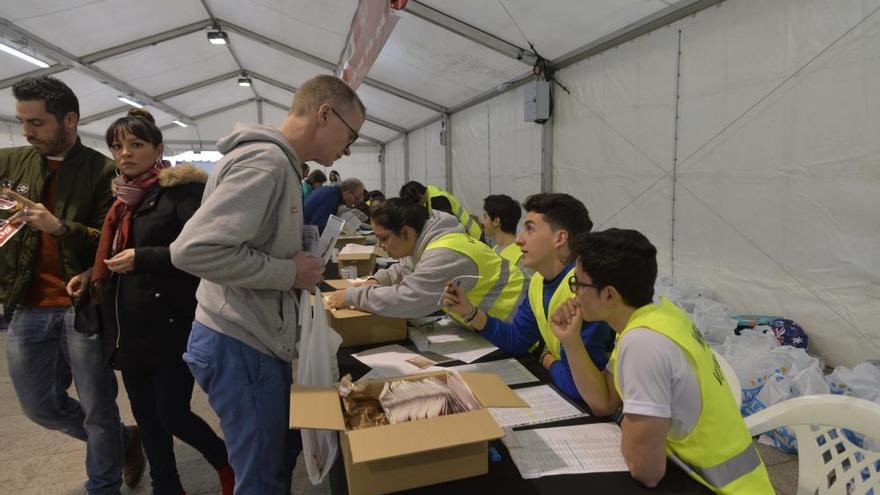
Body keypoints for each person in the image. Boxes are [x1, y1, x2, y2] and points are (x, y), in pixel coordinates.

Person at [170, 74, 364, 494]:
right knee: (261, 478)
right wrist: (290, 273)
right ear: (324, 114)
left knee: (270, 463)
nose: (347, 150)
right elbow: (192, 250)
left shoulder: (278, 164)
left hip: (247, 336)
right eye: (350, 135)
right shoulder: (266, 163)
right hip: (241, 341)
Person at [67, 109, 233, 495]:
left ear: (158, 148)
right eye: (117, 146)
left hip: (171, 323)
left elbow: (203, 252)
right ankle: (166, 486)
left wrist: (146, 257)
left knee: (173, 414)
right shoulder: (120, 201)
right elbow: (114, 252)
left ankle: (226, 462)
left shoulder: (182, 193)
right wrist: (93, 274)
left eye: (136, 145)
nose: (124, 153)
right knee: (146, 416)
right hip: (125, 329)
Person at [0, 76, 144, 494]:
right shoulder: (10, 163)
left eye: (37, 123)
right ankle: (123, 441)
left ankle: (102, 486)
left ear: (69, 120)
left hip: (81, 306)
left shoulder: (102, 172)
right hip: (27, 304)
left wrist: (59, 227)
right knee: (39, 405)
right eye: (22, 121)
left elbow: (109, 240)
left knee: (99, 407)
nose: (28, 131)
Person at [550, 229, 774, 493]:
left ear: (609, 295)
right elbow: (604, 402)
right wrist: (571, 341)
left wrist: (632, 435)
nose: (573, 295)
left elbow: (647, 472)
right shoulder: (656, 318)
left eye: (578, 284)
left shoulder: (643, 343)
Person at [442, 193, 613, 402]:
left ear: (559, 238)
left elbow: (581, 387)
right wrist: (470, 312)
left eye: (530, 229)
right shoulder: (538, 283)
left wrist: (545, 357)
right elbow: (517, 339)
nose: (520, 239)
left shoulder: (584, 291)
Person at [326, 198, 526, 322]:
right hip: (491, 325)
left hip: (513, 326)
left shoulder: (444, 254)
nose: (382, 246)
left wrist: (352, 297)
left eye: (384, 238)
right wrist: (376, 281)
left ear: (405, 232)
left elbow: (407, 298)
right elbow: (407, 267)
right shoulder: (432, 238)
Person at [400, 180, 482, 240]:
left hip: (471, 235)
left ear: (420, 195)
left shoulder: (438, 200)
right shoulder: (430, 190)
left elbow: (445, 226)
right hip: (469, 233)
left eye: (417, 203)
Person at [481, 194, 530, 278]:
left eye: (485, 216)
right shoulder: (494, 250)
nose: (482, 221)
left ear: (496, 221)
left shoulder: (523, 257)